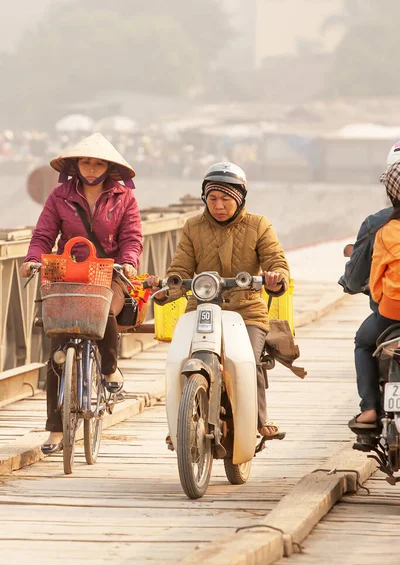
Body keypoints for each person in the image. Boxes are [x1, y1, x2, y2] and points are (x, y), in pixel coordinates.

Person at [146, 161, 290, 440]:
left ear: (240, 199)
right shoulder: (193, 226)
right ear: (205, 198)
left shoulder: (259, 225)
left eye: (226, 198)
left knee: (249, 359)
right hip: (200, 308)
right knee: (180, 360)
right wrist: (167, 288)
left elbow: (276, 261)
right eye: (212, 198)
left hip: (247, 309)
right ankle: (180, 423)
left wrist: (275, 277)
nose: (218, 205)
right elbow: (180, 270)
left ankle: (260, 418)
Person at [20, 132, 143, 454]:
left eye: (98, 162)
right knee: (58, 351)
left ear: (108, 167)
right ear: (76, 165)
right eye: (86, 162)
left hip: (109, 271)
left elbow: (132, 237)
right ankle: (55, 431)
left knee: (105, 311)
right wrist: (33, 258)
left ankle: (108, 366)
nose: (91, 168)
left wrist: (128, 263)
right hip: (68, 272)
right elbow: (44, 234)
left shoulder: (124, 198)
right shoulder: (60, 195)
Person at [341, 143, 400, 434]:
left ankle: (369, 407)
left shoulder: (378, 225)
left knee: (363, 343)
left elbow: (362, 275)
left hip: (389, 313)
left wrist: (352, 285)